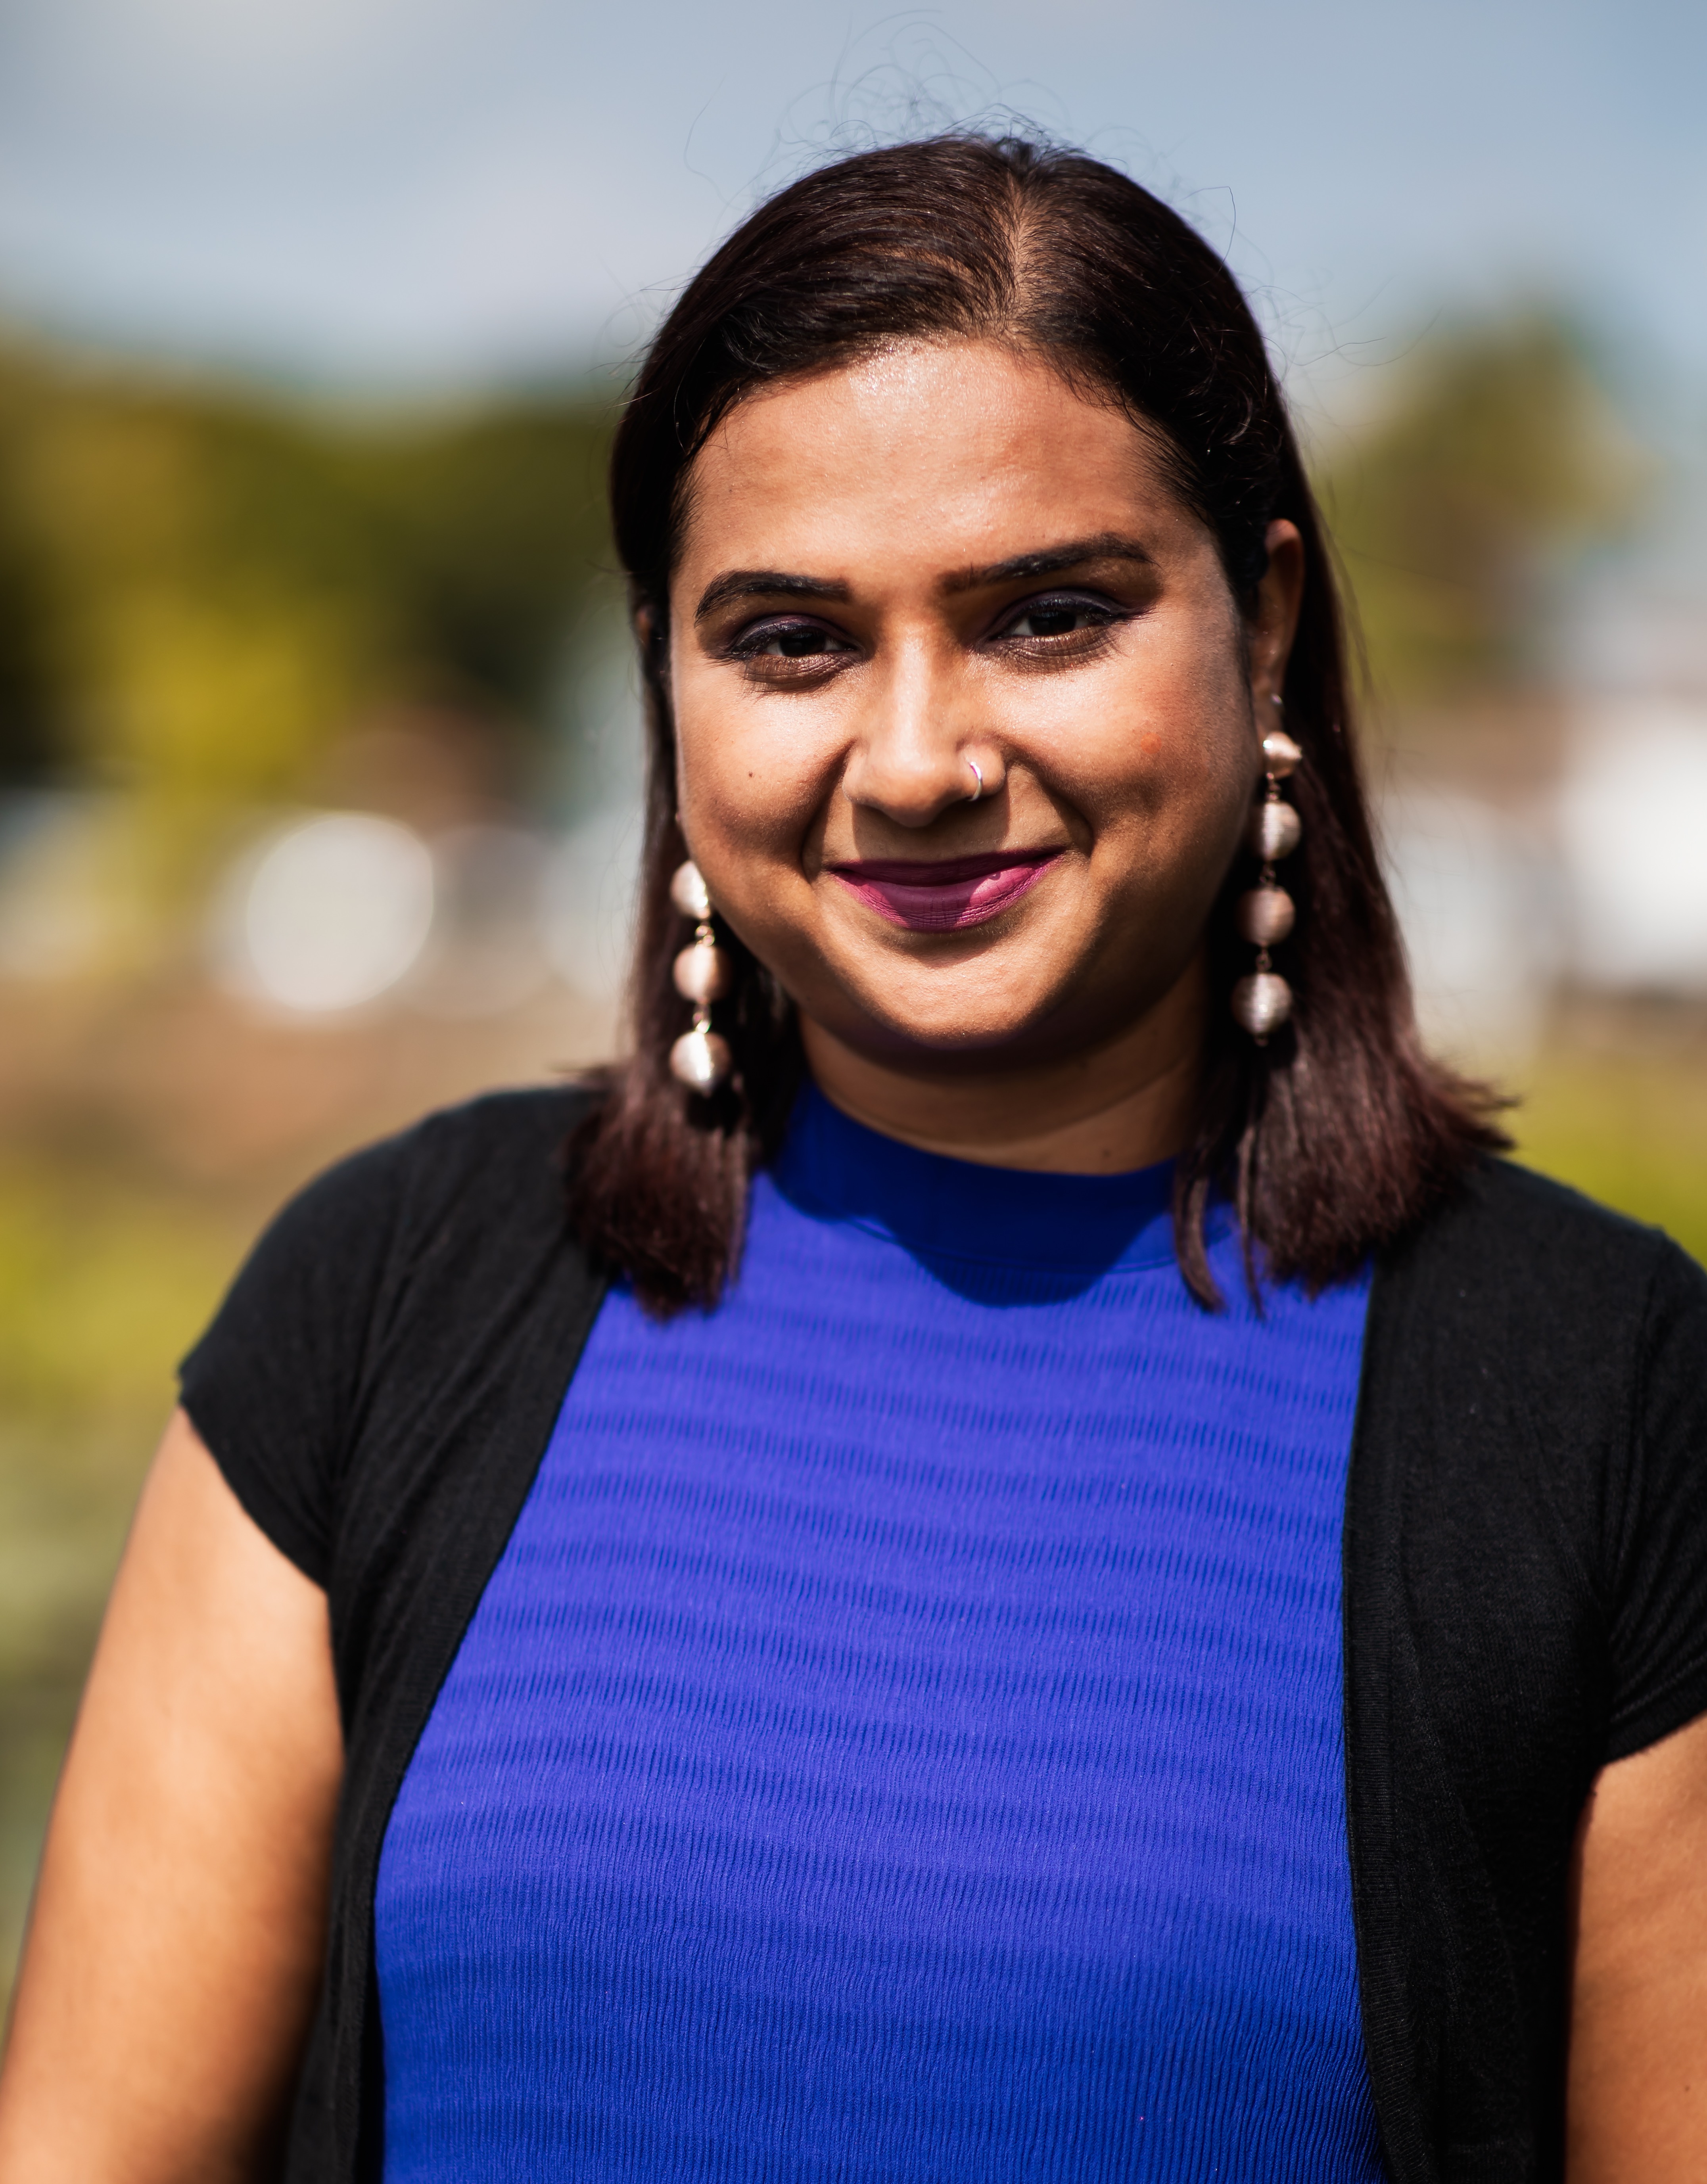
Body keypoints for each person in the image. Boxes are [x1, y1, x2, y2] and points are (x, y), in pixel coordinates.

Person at [0, 133, 1703, 2184]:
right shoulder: (378, 1304)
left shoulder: (1604, 1396)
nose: (917, 761)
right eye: (792, 638)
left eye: (1049, 615)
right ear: (666, 673)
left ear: (1262, 621)